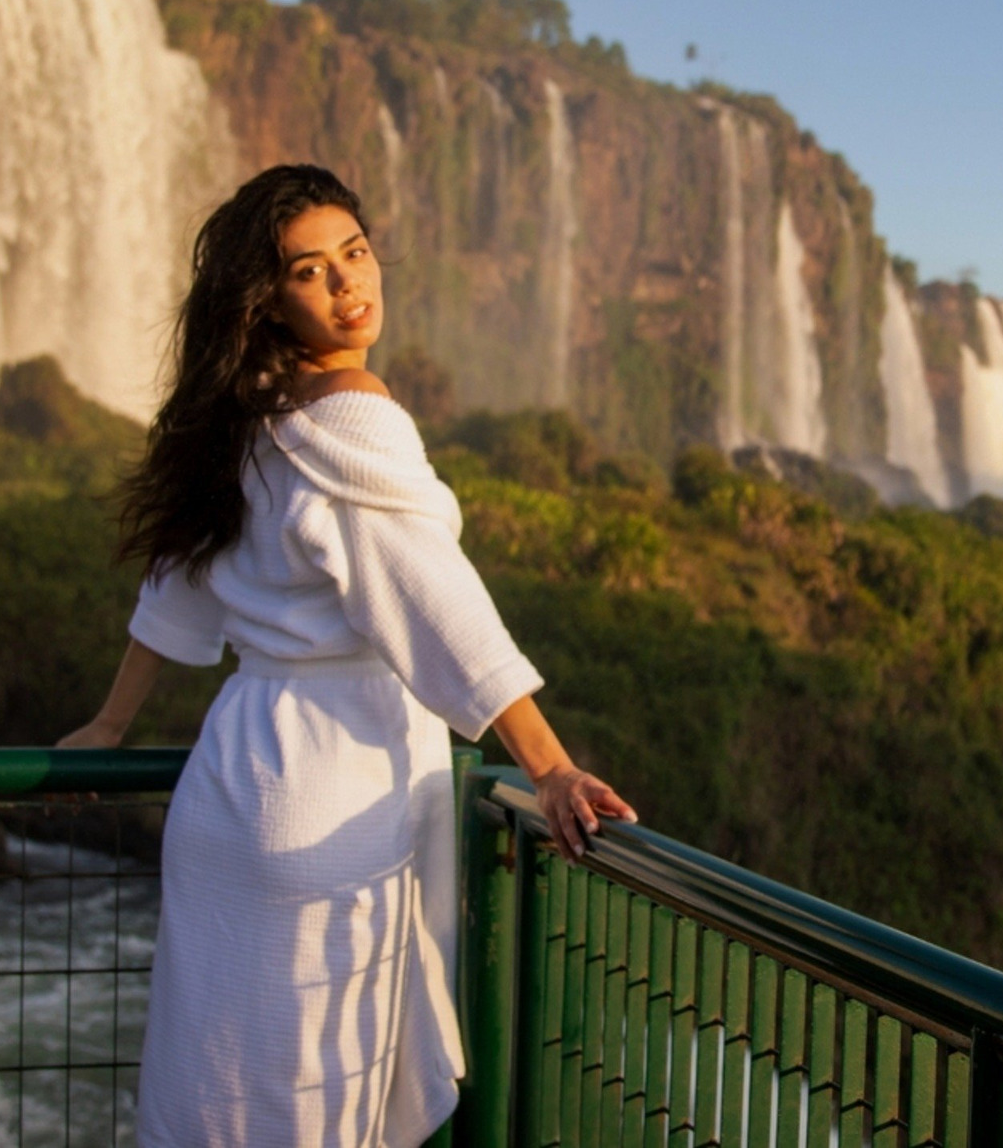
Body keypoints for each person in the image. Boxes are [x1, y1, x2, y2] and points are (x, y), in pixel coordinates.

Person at [58, 164, 634, 1147]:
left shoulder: (243, 423)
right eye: (309, 271)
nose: (347, 286)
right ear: (268, 299)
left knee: (216, 1081)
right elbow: (436, 601)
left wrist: (109, 726)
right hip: (333, 787)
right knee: (312, 1095)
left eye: (355, 255)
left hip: (231, 781)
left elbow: (172, 586)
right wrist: (550, 765)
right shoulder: (353, 411)